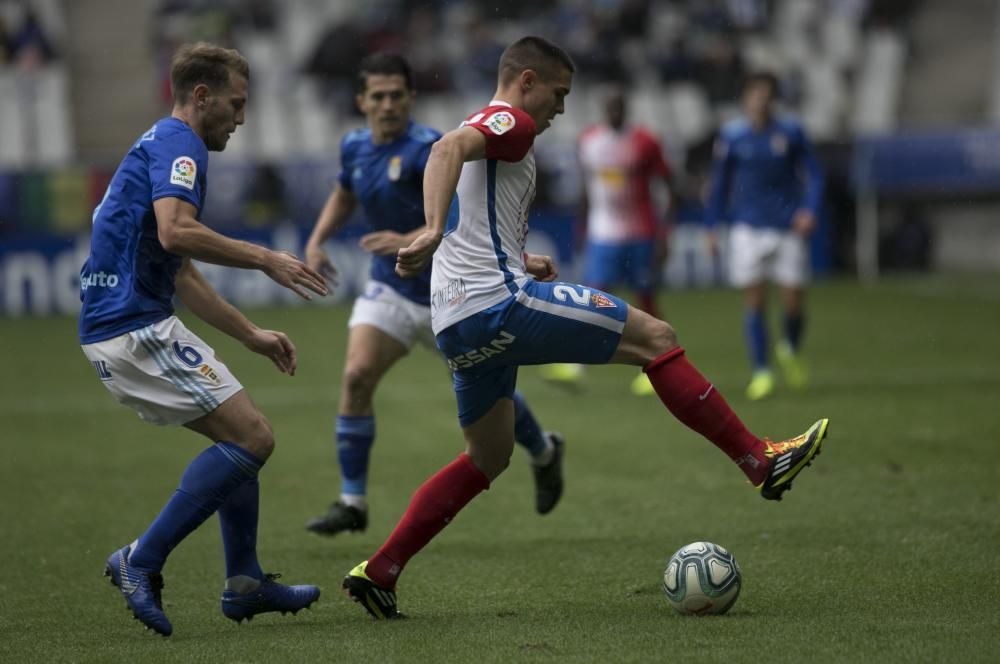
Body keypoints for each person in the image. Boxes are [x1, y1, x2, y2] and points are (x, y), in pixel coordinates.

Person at [340, 36, 830, 619]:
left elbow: (471, 216)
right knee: (657, 338)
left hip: (457, 321)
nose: (563, 108)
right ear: (526, 80)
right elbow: (444, 150)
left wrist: (517, 258)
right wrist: (427, 227)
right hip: (499, 305)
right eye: (560, 92)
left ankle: (381, 568)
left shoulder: (490, 123)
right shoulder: (512, 120)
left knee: (488, 456)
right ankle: (759, 460)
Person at [79, 43, 328, 637]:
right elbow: (176, 231)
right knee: (254, 437)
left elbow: (182, 268)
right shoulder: (179, 143)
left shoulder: (160, 146)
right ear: (201, 96)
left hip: (122, 323)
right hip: (132, 325)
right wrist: (265, 258)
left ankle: (244, 584)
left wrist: (251, 335)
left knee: (237, 437)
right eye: (236, 105)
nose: (240, 119)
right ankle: (141, 559)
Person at [303, 53, 566, 537]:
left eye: (396, 95)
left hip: (456, 295)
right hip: (391, 290)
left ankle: (545, 449)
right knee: (357, 376)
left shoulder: (431, 146)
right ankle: (352, 500)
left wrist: (420, 235)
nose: (387, 105)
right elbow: (345, 191)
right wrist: (317, 240)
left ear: (411, 97)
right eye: (377, 96)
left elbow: (468, 213)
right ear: (361, 101)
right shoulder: (354, 147)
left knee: (496, 400)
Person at [541, 86, 675, 396]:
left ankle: (660, 363)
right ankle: (575, 366)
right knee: (592, 299)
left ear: (625, 109)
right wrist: (582, 226)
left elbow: (668, 186)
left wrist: (665, 234)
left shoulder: (644, 142)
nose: (614, 112)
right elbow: (588, 188)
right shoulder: (589, 141)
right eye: (609, 106)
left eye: (618, 106)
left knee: (646, 298)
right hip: (603, 234)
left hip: (640, 232)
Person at [705, 72, 824, 400]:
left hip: (787, 227)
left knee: (794, 302)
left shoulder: (791, 131)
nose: (761, 100)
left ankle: (790, 347)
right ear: (746, 97)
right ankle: (762, 371)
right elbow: (719, 185)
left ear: (774, 98)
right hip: (747, 228)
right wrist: (712, 226)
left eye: (767, 94)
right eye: (755, 93)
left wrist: (809, 209)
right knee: (754, 300)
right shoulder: (732, 135)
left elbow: (814, 175)